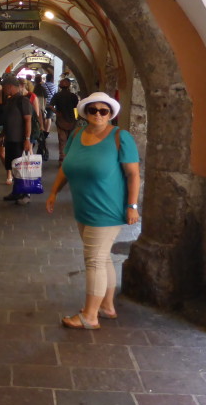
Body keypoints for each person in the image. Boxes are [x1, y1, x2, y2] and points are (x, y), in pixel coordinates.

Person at [45, 92, 140, 330]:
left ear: (110, 114)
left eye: (103, 111)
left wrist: (132, 206)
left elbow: (133, 174)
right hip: (84, 207)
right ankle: (106, 306)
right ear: (85, 113)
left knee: (94, 260)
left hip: (107, 209)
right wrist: (54, 191)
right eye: (93, 110)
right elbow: (66, 167)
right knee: (102, 257)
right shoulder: (77, 135)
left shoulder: (121, 137)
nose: (98, 114)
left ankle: (90, 315)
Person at [0, 76, 34, 205]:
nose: (3, 89)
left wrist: (27, 139)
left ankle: (25, 193)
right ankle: (16, 191)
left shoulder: (22, 101)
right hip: (10, 139)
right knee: (14, 167)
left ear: (10, 86)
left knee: (21, 167)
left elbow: (28, 120)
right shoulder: (10, 101)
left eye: (4, 86)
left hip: (19, 140)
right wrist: (3, 133)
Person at [48, 78, 80, 160]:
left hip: (61, 120)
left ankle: (62, 157)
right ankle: (70, 157)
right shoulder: (73, 96)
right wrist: (77, 117)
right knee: (71, 140)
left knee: (62, 140)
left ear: (60, 86)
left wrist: (56, 112)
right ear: (69, 86)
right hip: (72, 120)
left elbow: (50, 106)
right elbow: (77, 108)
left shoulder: (57, 95)